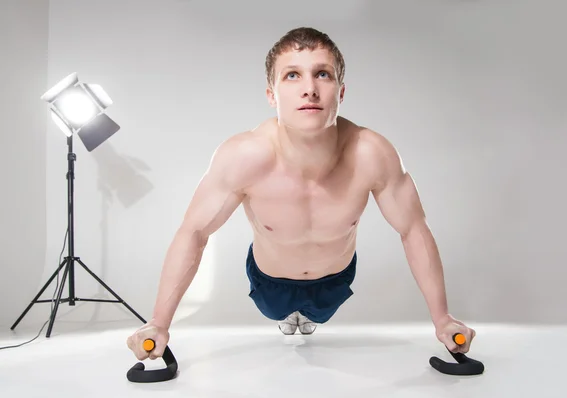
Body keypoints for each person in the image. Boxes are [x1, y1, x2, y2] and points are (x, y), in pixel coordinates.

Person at [127, 27, 476, 361]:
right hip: (269, 284)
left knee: (317, 317)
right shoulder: (243, 156)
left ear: (340, 91)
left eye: (322, 74)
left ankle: (308, 318)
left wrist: (443, 319)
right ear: (271, 95)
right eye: (292, 75)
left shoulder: (372, 153)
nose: (309, 89)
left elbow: (413, 229)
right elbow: (194, 232)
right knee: (278, 312)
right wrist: (159, 323)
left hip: (336, 281)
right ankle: (289, 317)